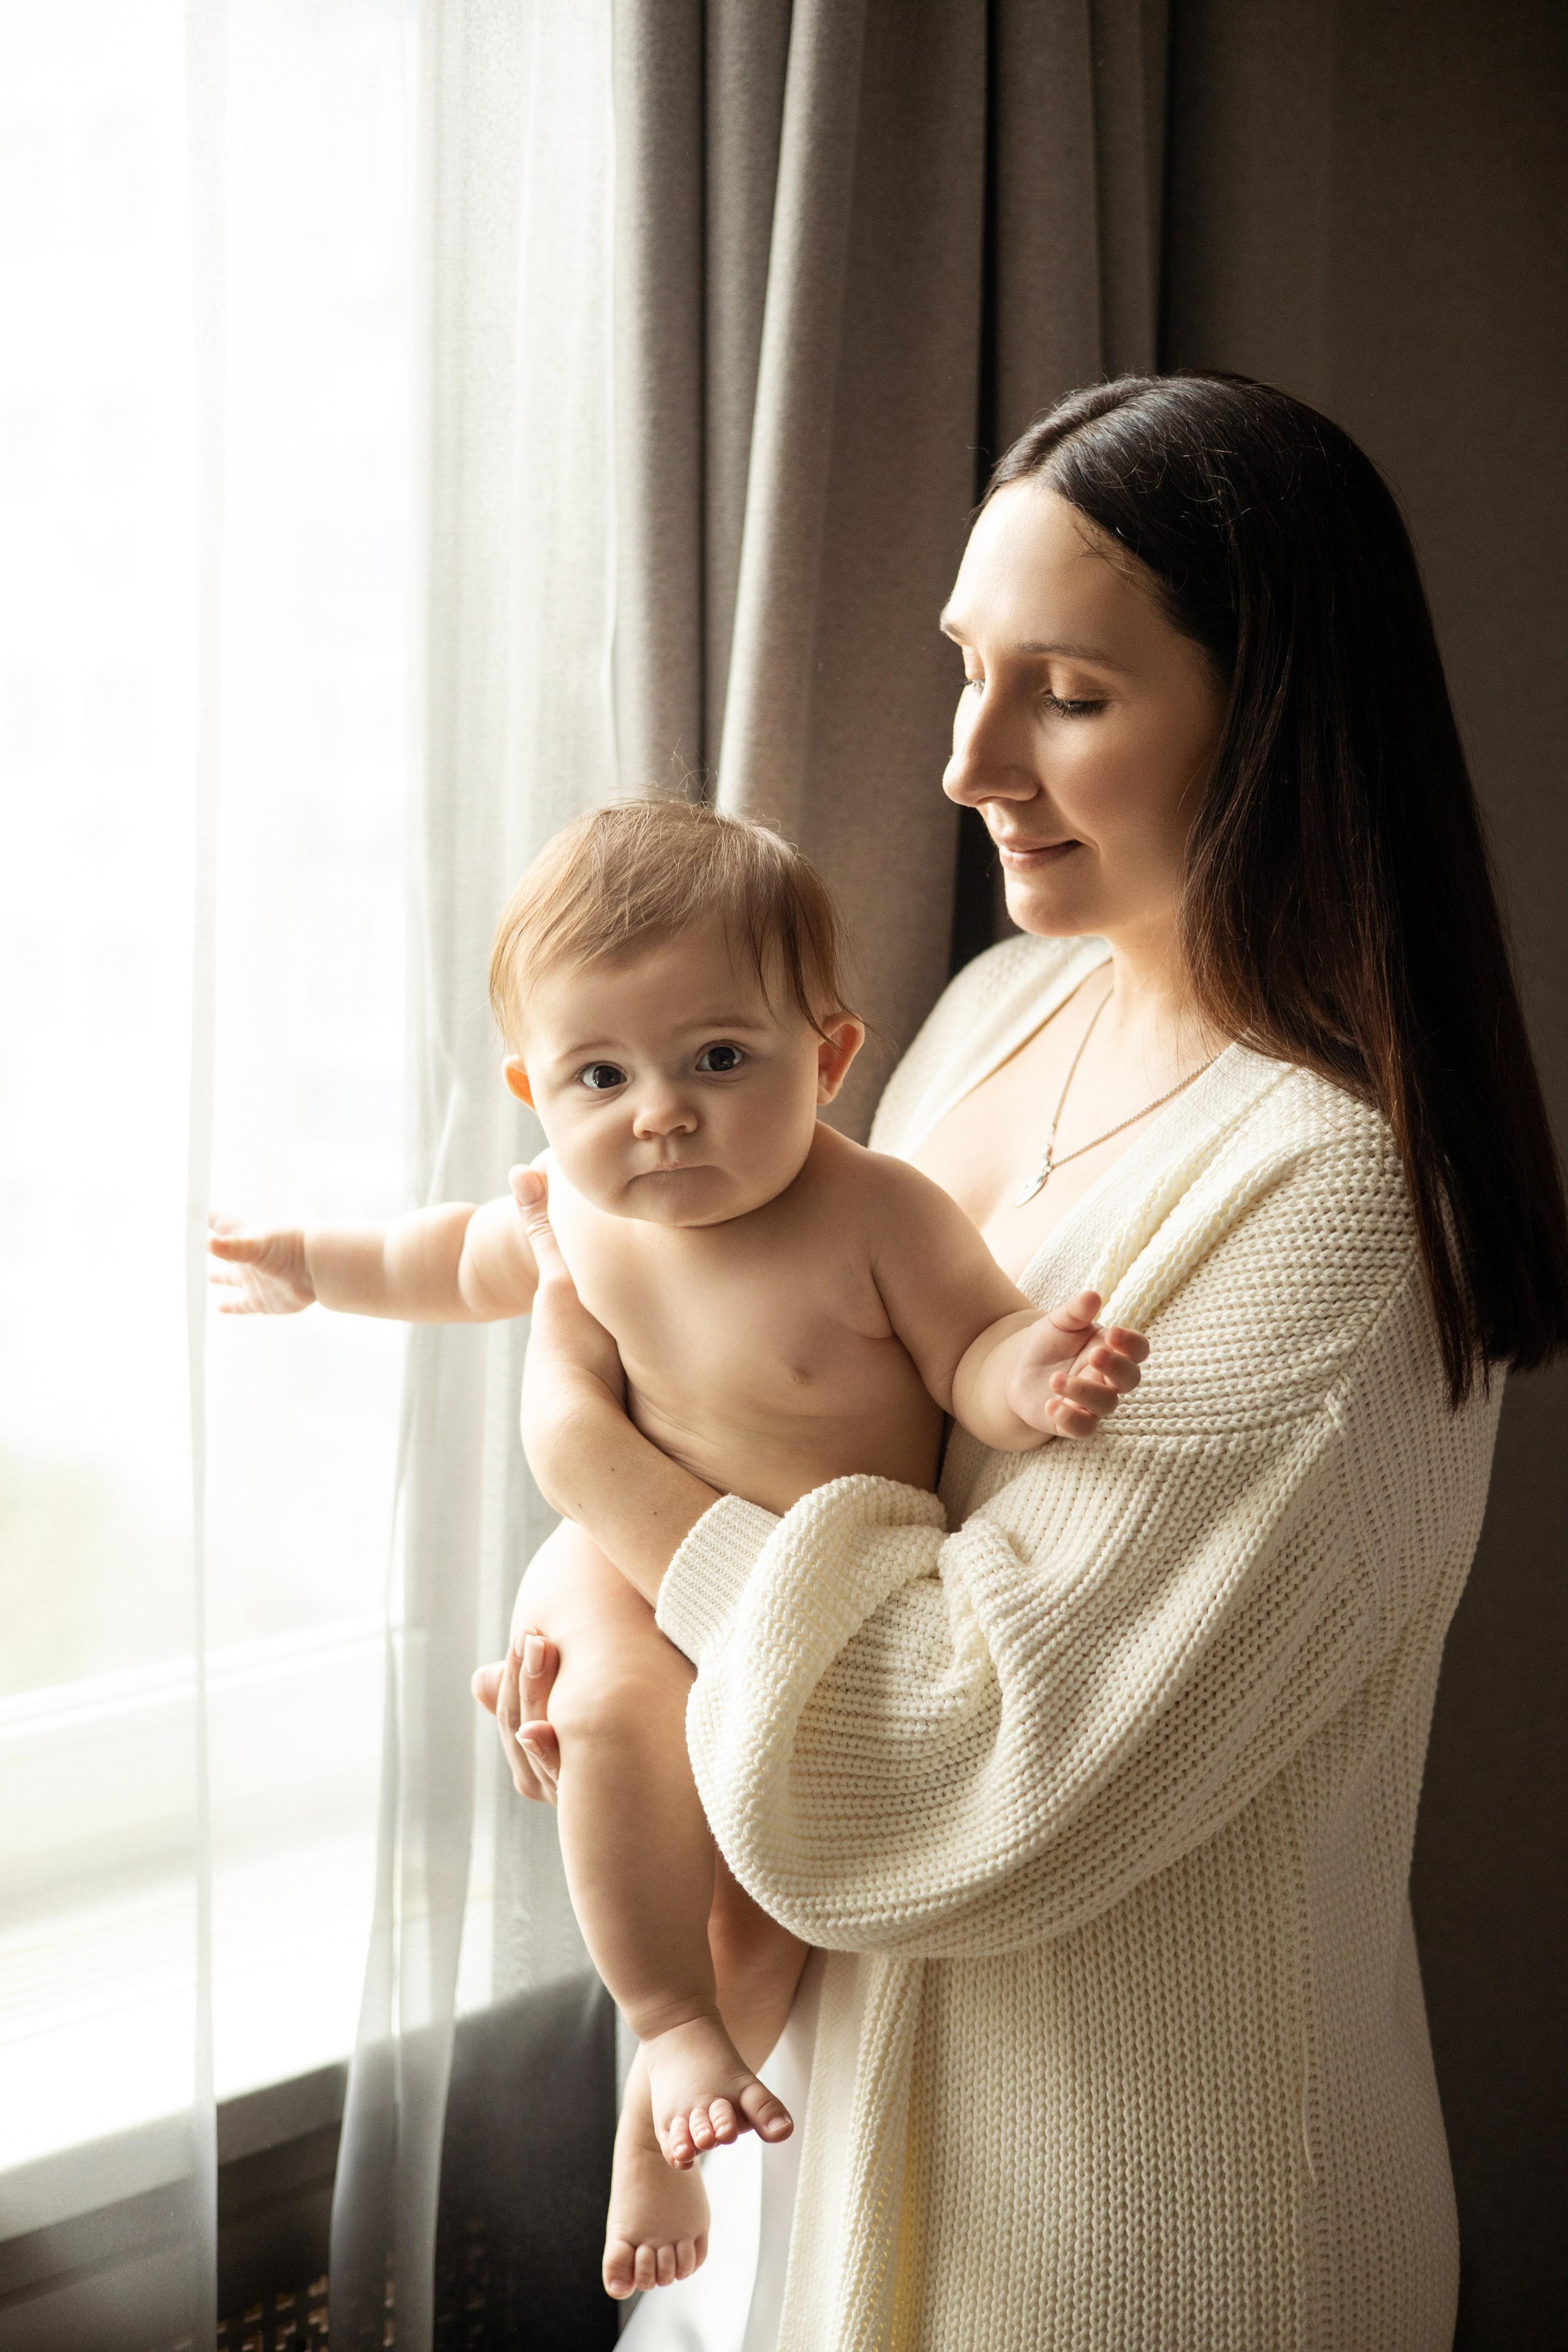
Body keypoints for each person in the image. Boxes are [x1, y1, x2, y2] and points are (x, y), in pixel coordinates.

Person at [478, 372, 1568, 2350]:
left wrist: (613, 1499)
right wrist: (609, 1643)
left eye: (1066, 693)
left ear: (1274, 722)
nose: (971, 760)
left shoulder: (1333, 1208)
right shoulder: (996, 1008)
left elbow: (940, 1757)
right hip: (833, 2126)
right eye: (967, 671)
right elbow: (805, 1437)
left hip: (1132, 2227)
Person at [208, 797, 1151, 2296]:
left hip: (817, 1594)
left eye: (718, 1059)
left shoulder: (879, 1214)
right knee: (599, 1716)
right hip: (619, 1567)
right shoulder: (572, 1212)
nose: (659, 1111)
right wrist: (308, 1268)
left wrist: (1031, 1377)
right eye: (601, 1074)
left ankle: (670, 2128)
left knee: (772, 1888)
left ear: (826, 1056)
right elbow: (437, 1257)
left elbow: (969, 1348)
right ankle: (664, 2025)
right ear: (535, 1089)